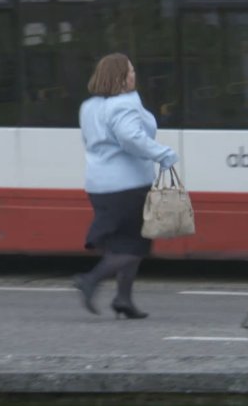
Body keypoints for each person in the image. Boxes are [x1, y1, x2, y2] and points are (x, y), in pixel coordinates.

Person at [73, 52, 179, 319]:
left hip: (99, 184)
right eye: (130, 71)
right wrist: (162, 154)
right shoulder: (123, 105)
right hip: (127, 185)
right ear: (119, 77)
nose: (134, 74)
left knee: (121, 245)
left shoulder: (89, 106)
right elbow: (131, 138)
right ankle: (91, 280)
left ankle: (123, 299)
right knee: (135, 246)